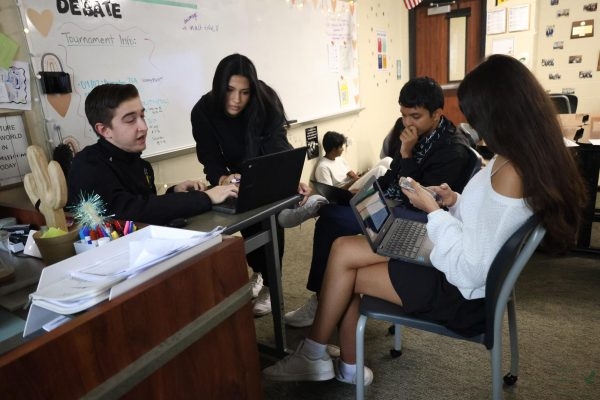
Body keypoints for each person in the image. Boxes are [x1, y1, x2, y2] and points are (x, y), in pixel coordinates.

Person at [262, 54, 587, 386]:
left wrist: (433, 211)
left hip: (459, 291)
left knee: (346, 268)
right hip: (453, 257)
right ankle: (334, 362)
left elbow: (472, 268)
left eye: (477, 117)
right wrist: (454, 200)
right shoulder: (515, 157)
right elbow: (487, 222)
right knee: (345, 249)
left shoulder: (509, 172)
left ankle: (321, 357)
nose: (474, 126)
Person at [282, 76, 477, 328]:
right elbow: (393, 173)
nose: (407, 122)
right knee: (339, 204)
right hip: (388, 204)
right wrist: (364, 194)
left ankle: (322, 297)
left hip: (410, 220)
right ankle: (322, 205)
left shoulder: (452, 149)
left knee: (331, 221)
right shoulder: (406, 129)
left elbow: (421, 199)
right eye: (403, 114)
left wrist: (407, 153)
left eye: (415, 116)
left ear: (437, 113)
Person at [190, 53, 314, 316]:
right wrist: (222, 178)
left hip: (263, 164)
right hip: (234, 173)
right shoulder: (203, 110)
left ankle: (272, 284)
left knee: (268, 217)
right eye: (230, 90)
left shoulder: (265, 100)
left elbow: (277, 145)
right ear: (219, 86)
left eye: (245, 92)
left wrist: (289, 180)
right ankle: (259, 273)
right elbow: (209, 155)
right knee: (248, 222)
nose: (237, 100)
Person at [67, 83, 238, 226]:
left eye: (142, 116)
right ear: (104, 130)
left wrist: (175, 192)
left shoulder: (140, 165)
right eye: (130, 120)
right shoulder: (88, 165)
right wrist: (204, 197)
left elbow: (148, 207)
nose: (143, 126)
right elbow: (129, 212)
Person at [314, 131, 392, 191]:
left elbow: (349, 172)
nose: (343, 149)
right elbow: (331, 193)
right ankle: (392, 189)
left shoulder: (339, 159)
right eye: (341, 147)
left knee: (387, 160)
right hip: (347, 191)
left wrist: (358, 177)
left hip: (354, 182)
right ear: (334, 150)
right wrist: (353, 181)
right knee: (380, 170)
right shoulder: (323, 167)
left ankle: (395, 186)